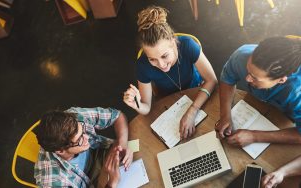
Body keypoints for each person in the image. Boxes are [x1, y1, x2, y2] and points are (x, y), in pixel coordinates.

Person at [123, 6, 217, 139]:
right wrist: (136, 104)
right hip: (168, 101)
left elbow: (211, 80)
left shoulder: (188, 46)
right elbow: (147, 107)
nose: (161, 65)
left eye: (164, 56)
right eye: (152, 59)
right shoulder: (142, 66)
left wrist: (192, 111)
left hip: (198, 91)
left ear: (173, 43)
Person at [215, 36, 301, 147]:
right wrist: (225, 115)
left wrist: (254, 136)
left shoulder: (297, 93)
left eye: (254, 78)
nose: (247, 79)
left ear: (281, 80)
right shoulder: (242, 55)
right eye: (248, 69)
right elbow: (228, 78)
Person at [34, 107, 133, 188]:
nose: (86, 137)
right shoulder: (53, 182)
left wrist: (122, 144)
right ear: (60, 151)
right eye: (79, 140)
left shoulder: (73, 117)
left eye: (82, 131)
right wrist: (112, 183)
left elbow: (117, 115)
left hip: (101, 155)